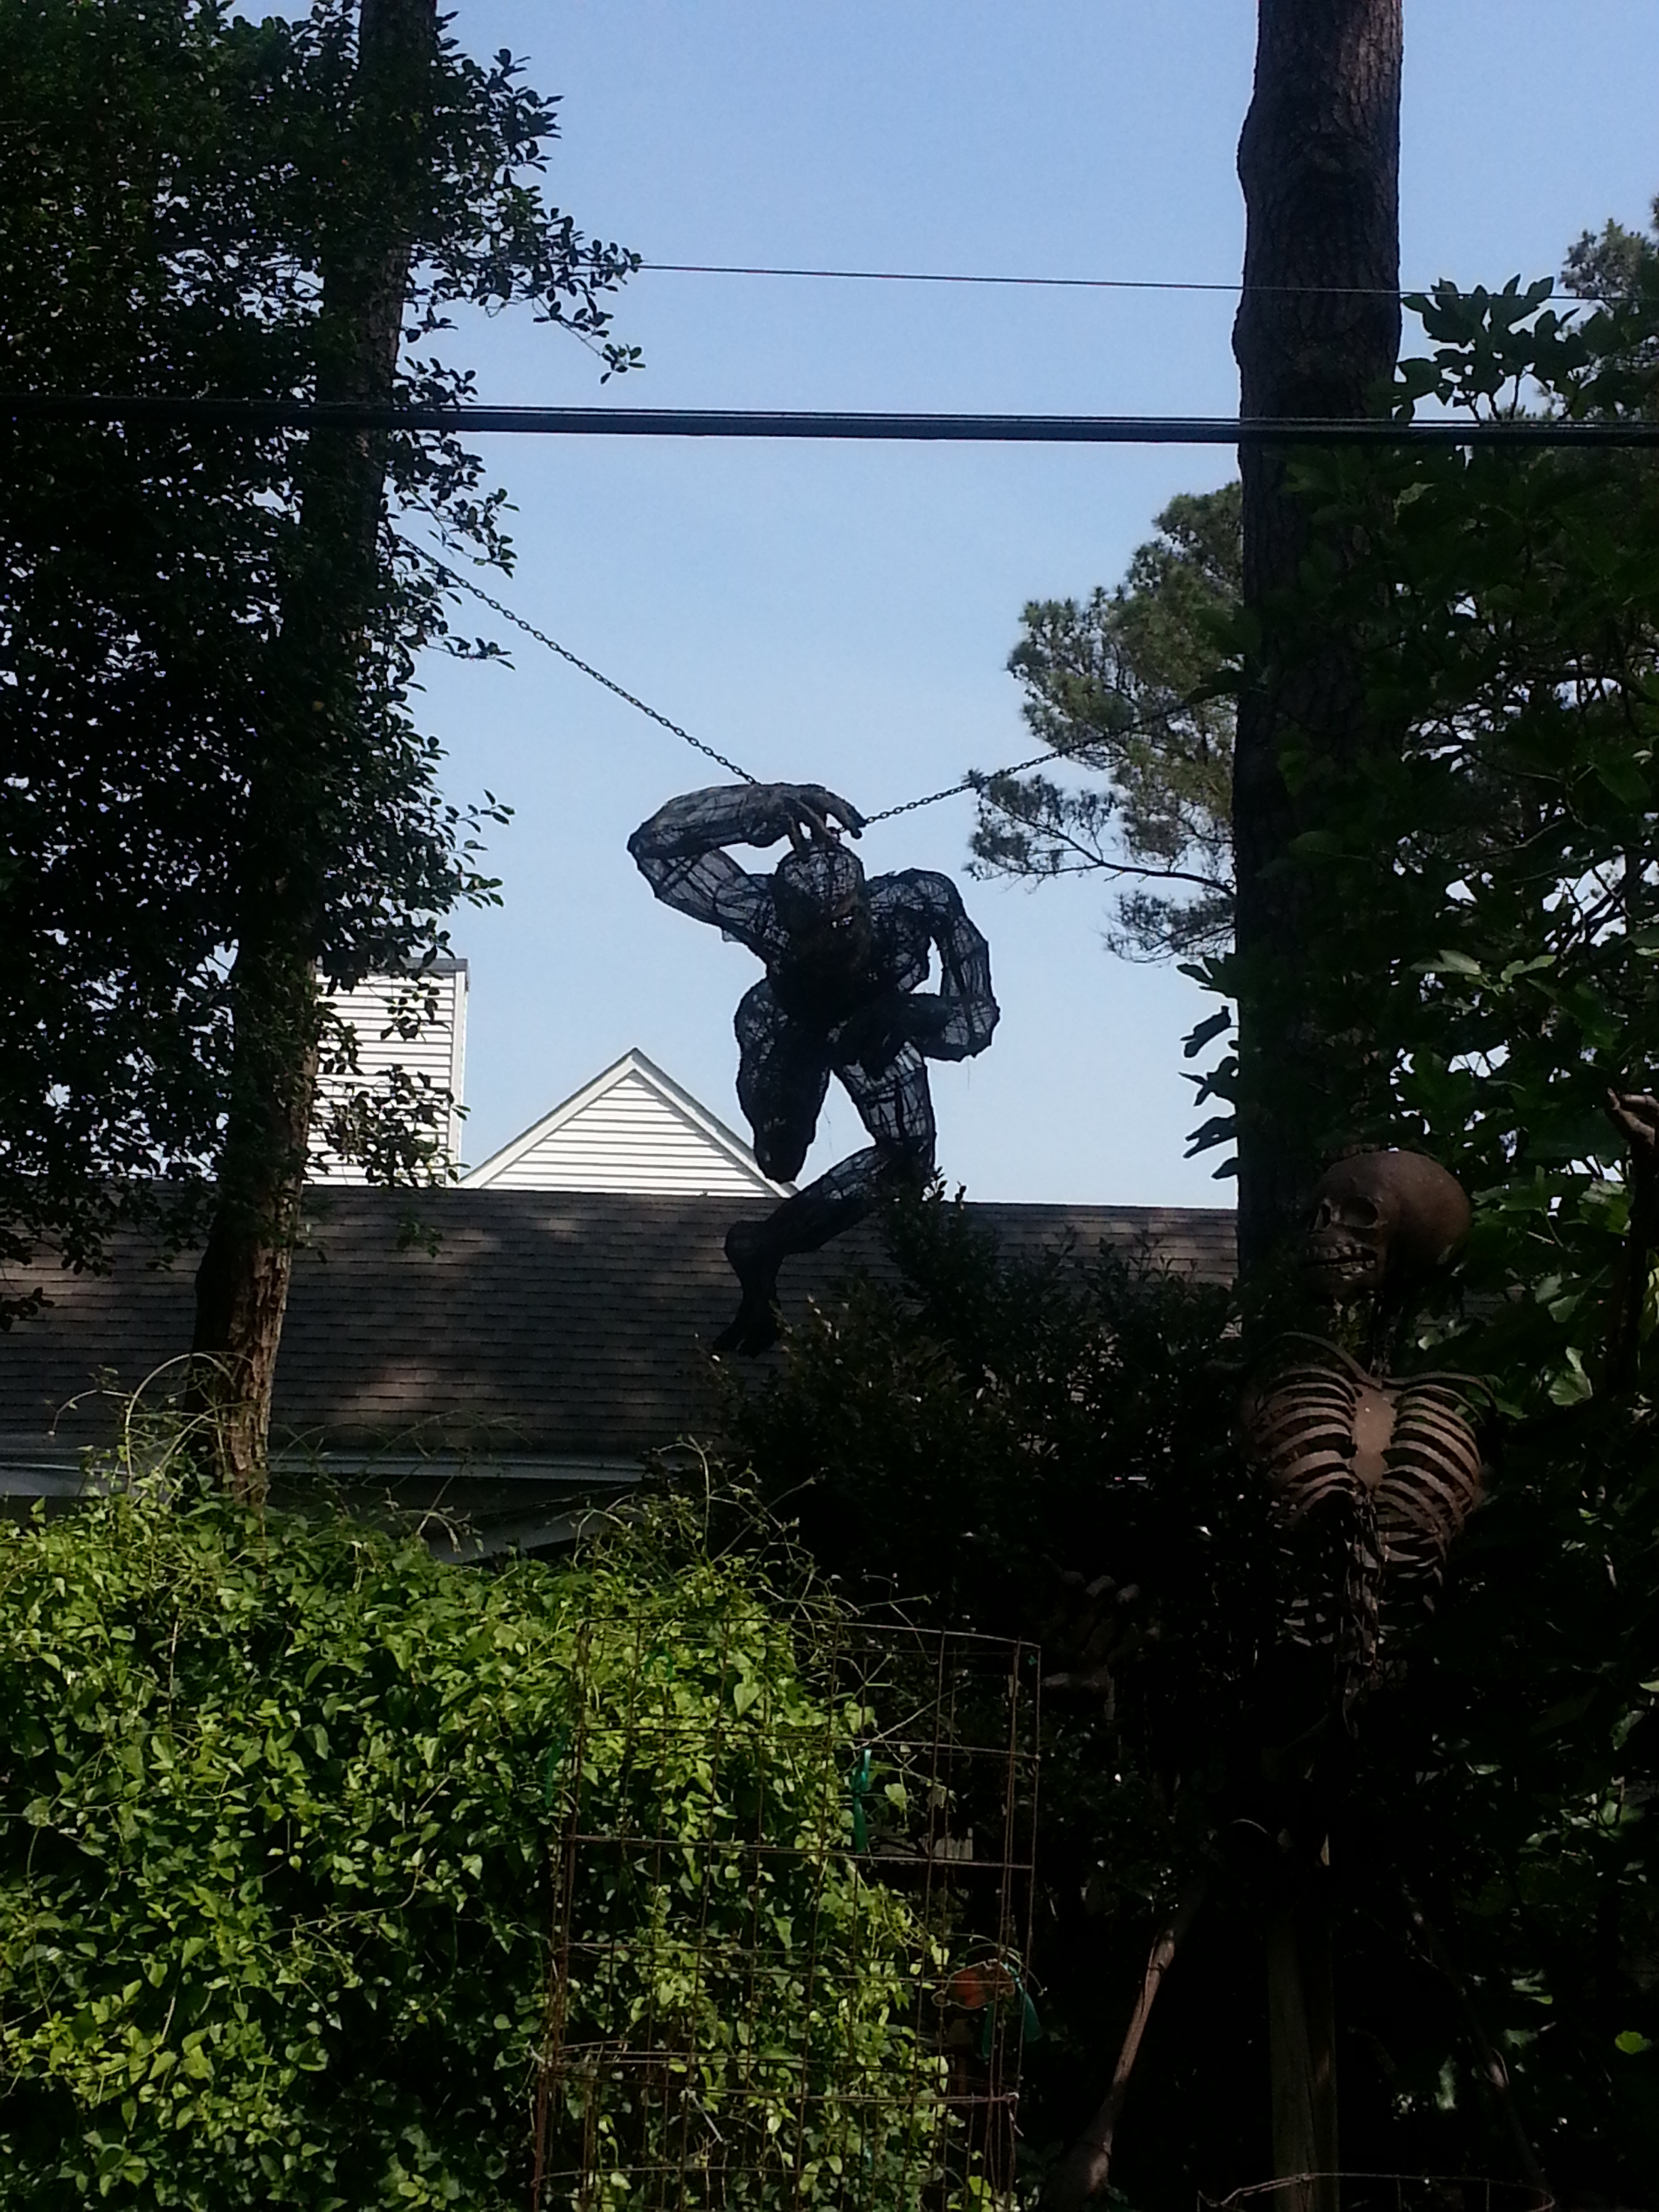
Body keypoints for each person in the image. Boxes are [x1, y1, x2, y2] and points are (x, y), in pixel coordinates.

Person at [628, 781, 1000, 1353]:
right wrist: (761, 806)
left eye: (844, 925)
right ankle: (763, 1247)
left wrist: (912, 1014)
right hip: (786, 1023)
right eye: (811, 934)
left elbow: (976, 1018)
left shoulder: (920, 902)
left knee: (908, 1157)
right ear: (787, 922)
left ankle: (762, 1247)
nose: (831, 944)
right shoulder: (760, 913)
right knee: (779, 1158)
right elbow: (655, 848)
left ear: (865, 907)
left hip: (872, 1027)